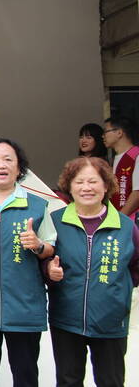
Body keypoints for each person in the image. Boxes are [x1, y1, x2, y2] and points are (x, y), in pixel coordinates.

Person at [0, 138, 57, 387]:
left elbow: (50, 247)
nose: (1, 165)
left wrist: (37, 244)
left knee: (25, 373)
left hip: (24, 305)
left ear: (19, 167)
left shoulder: (36, 206)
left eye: (8, 159)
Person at [47, 156, 139, 386]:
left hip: (111, 321)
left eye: (93, 181)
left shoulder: (126, 226)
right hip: (66, 319)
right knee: (68, 381)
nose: (86, 188)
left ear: (106, 185)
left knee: (111, 381)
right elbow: (43, 259)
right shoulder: (55, 222)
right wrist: (48, 270)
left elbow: (136, 267)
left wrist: (118, 293)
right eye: (79, 182)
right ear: (69, 186)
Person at [103, 116, 139, 218]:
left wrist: (120, 218)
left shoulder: (135, 155)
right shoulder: (114, 159)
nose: (103, 136)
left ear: (119, 133)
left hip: (132, 220)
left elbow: (137, 192)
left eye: (106, 131)